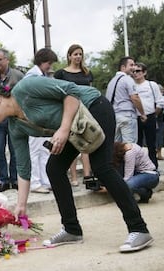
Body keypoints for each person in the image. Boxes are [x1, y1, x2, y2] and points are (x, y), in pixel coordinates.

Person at [0, 76, 153, 253]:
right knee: (54, 169)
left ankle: (139, 229)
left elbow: (71, 92)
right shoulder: (15, 127)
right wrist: (21, 205)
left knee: (102, 167)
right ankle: (71, 229)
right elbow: (23, 168)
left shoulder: (26, 87)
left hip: (93, 108)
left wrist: (63, 129)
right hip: (72, 128)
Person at [54, 44, 94, 187]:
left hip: (85, 111)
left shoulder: (87, 72)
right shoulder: (61, 73)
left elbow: (90, 90)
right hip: (69, 111)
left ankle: (88, 175)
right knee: (72, 142)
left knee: (86, 142)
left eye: (80, 54)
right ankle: (74, 176)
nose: (78, 57)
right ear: (69, 56)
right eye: (75, 54)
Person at [0, 48, 24, 192]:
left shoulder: (18, 76)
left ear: (7, 60)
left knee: (15, 151)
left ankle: (14, 179)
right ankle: (3, 180)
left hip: (14, 120)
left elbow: (24, 95)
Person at [24, 48, 58, 193]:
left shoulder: (40, 75)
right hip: (34, 117)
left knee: (44, 150)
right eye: (49, 63)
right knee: (35, 151)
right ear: (42, 61)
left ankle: (45, 180)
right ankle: (35, 182)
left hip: (42, 117)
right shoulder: (32, 76)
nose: (50, 66)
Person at [106, 57, 147, 144]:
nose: (134, 68)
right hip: (127, 116)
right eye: (131, 65)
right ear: (123, 67)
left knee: (117, 147)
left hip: (114, 117)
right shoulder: (128, 79)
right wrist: (142, 113)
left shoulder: (111, 82)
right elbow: (135, 98)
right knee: (130, 146)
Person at [132, 62, 164, 169]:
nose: (135, 74)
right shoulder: (131, 85)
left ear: (144, 72)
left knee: (151, 144)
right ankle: (139, 167)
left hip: (150, 116)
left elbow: (160, 101)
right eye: (134, 71)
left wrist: (155, 114)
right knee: (137, 145)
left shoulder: (151, 85)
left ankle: (154, 167)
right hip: (135, 117)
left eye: (138, 71)